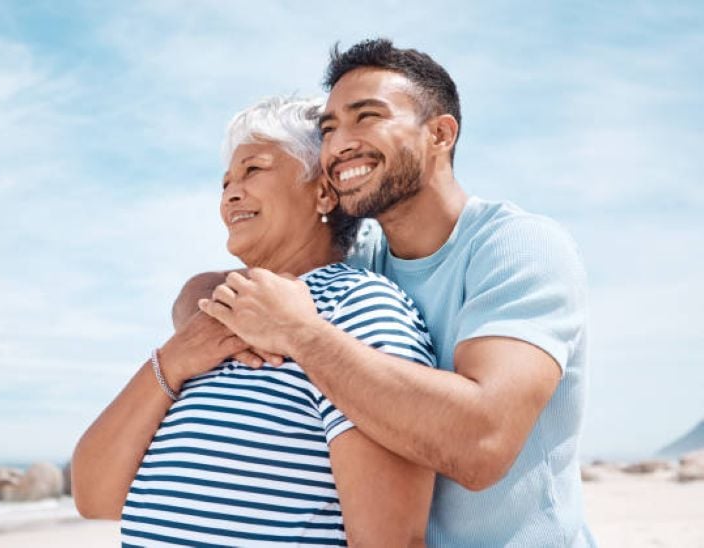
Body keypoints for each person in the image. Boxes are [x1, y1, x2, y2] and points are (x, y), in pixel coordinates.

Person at [193, 40, 595, 546]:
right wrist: (211, 311)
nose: (339, 145)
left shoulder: (517, 246)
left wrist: (298, 333)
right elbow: (213, 288)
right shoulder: (361, 258)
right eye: (330, 128)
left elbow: (482, 442)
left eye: (367, 117)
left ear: (440, 134)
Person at [72, 96, 438, 546]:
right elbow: (94, 496)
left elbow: (392, 540)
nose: (231, 193)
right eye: (225, 182)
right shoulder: (214, 314)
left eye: (253, 170)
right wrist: (172, 361)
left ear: (323, 191)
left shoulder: (357, 306)